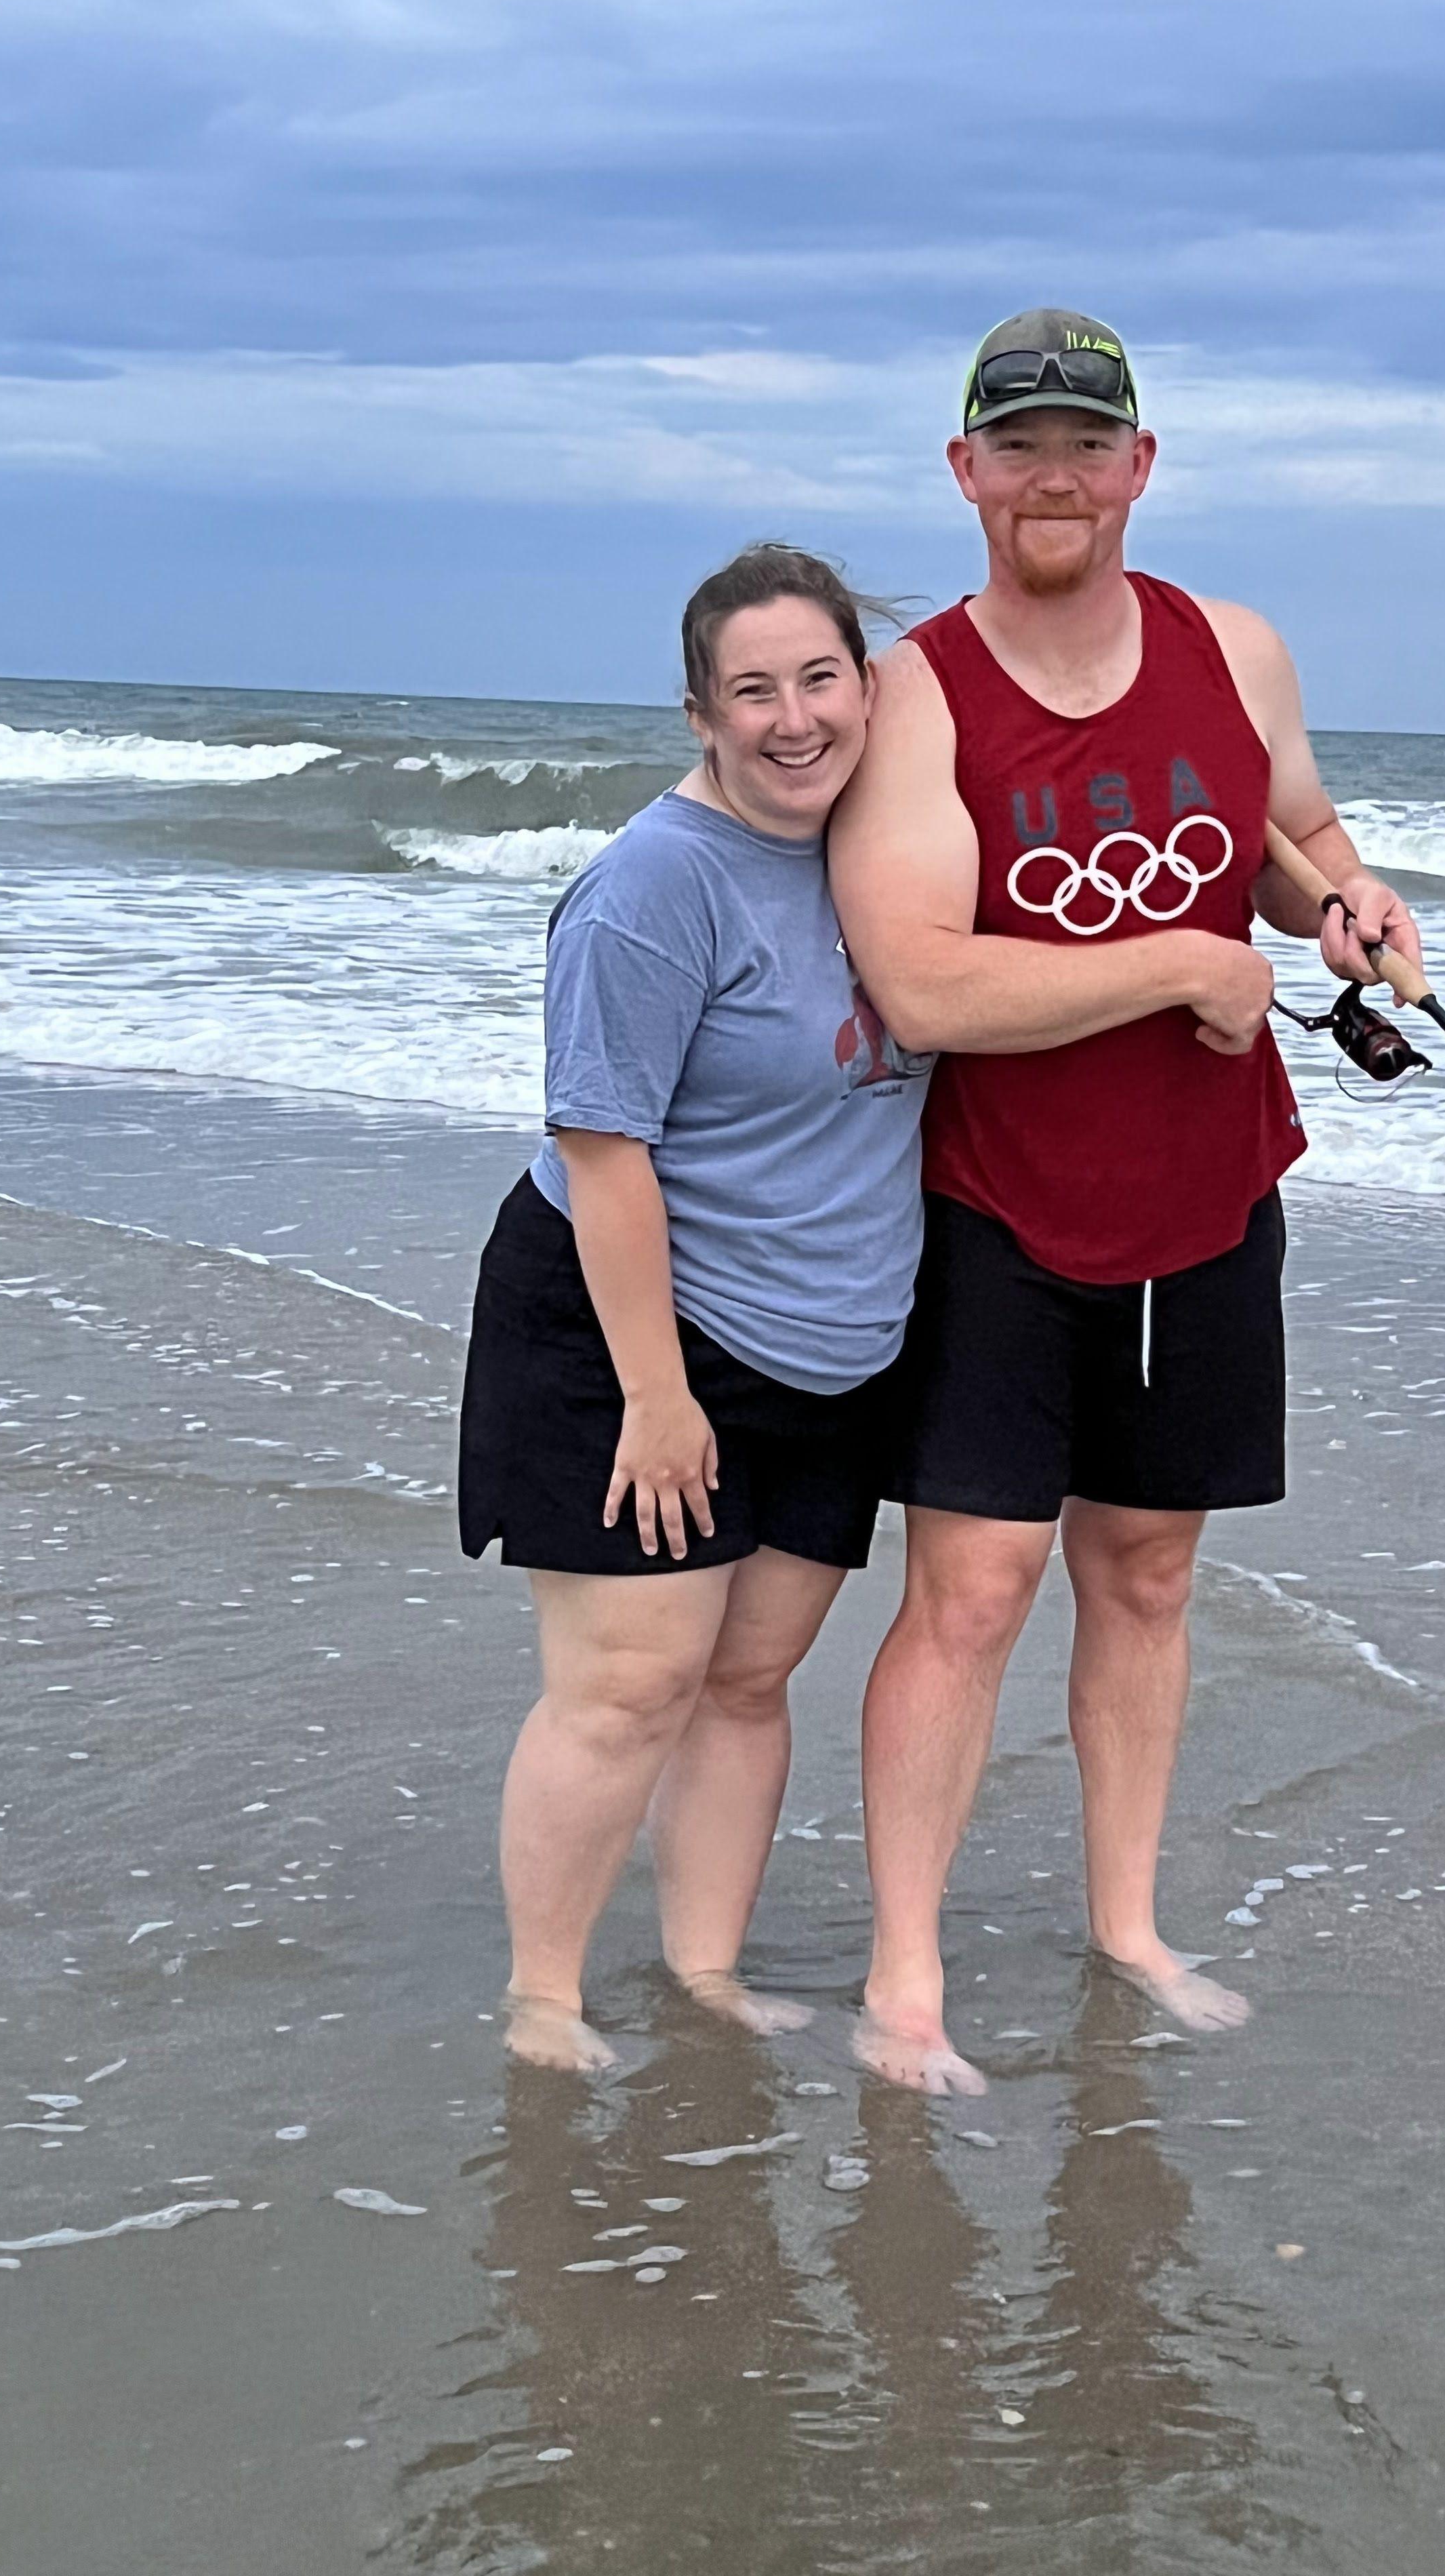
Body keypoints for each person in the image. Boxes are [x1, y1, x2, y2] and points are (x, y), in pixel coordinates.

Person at [826, 309, 1425, 2094]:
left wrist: (1347, 899)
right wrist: (1180, 962)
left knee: (1148, 1575)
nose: (1056, 473)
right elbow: (925, 984)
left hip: (1209, 1194)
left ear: (1142, 468)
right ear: (966, 475)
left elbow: (1290, 826)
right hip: (996, 1208)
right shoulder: (918, 692)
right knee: (975, 1590)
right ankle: (908, 1976)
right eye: (1019, 446)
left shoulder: (1234, 648)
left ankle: (1128, 1924)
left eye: (1089, 441)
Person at [458, 544, 931, 2074]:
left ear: (868, 687)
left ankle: (705, 1970)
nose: (794, 720)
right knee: (632, 1681)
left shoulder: (896, 846)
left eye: (819, 680)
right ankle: (545, 1994)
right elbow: (604, 1155)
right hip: (635, 1326)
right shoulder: (650, 886)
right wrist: (657, 1396)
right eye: (753, 691)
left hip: (836, 1341)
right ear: (698, 715)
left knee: (746, 1676)